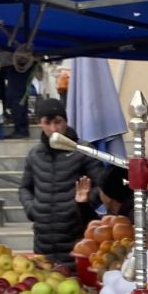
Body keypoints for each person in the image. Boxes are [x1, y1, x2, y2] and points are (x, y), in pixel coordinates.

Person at [20, 97, 100, 260]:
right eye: (47, 123)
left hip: (76, 235)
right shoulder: (35, 155)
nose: (54, 128)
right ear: (40, 124)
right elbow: (25, 188)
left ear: (66, 121)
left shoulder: (84, 151)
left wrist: (83, 205)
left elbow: (101, 186)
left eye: (58, 122)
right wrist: (32, 209)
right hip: (44, 240)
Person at [77, 168, 148, 248]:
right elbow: (100, 233)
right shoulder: (122, 214)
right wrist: (83, 205)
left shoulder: (142, 218)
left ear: (108, 196)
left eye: (101, 190)